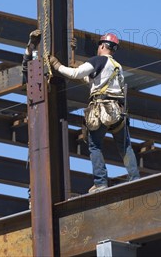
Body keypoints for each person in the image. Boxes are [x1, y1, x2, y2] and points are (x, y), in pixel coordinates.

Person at [49, 33, 140, 193]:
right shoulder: (118, 67)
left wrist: (57, 66)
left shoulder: (98, 60)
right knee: (125, 147)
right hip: (117, 113)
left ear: (103, 46)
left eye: (99, 46)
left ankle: (100, 182)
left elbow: (76, 74)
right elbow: (94, 81)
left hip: (101, 109)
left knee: (95, 146)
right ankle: (135, 179)